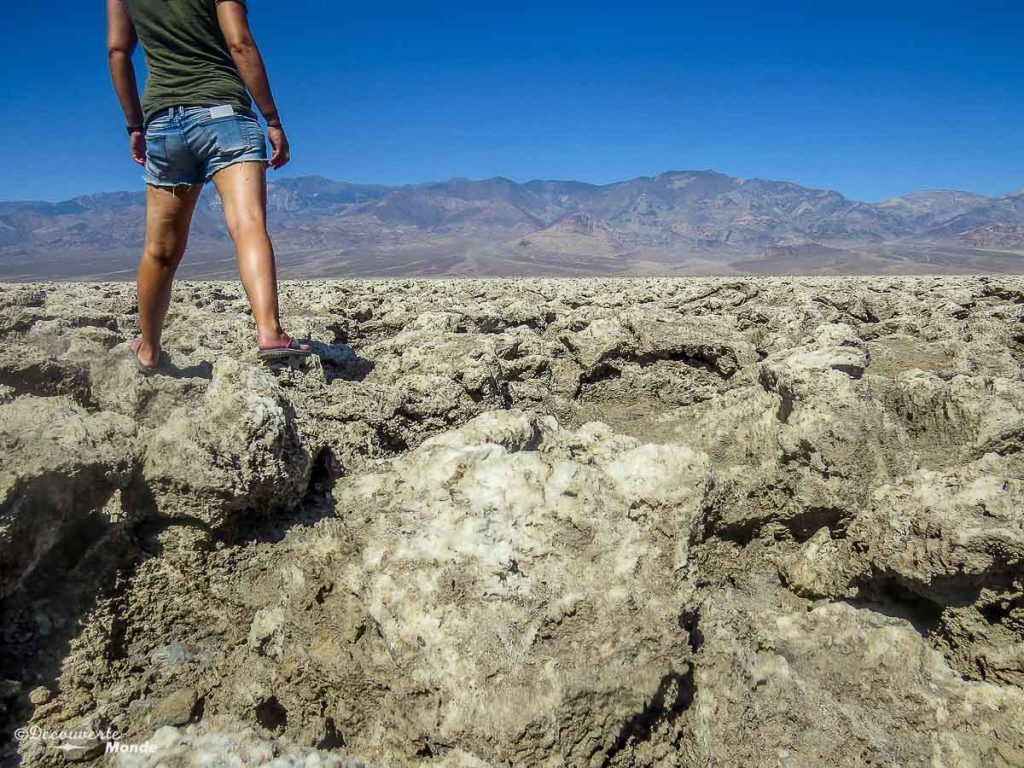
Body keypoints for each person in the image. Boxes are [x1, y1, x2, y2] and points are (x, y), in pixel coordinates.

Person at [106, 0, 311, 370]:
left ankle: (149, 349)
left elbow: (117, 51)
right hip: (225, 113)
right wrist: (273, 119)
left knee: (160, 249)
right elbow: (240, 44)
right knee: (247, 224)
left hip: (163, 123)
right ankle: (269, 332)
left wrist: (135, 124)